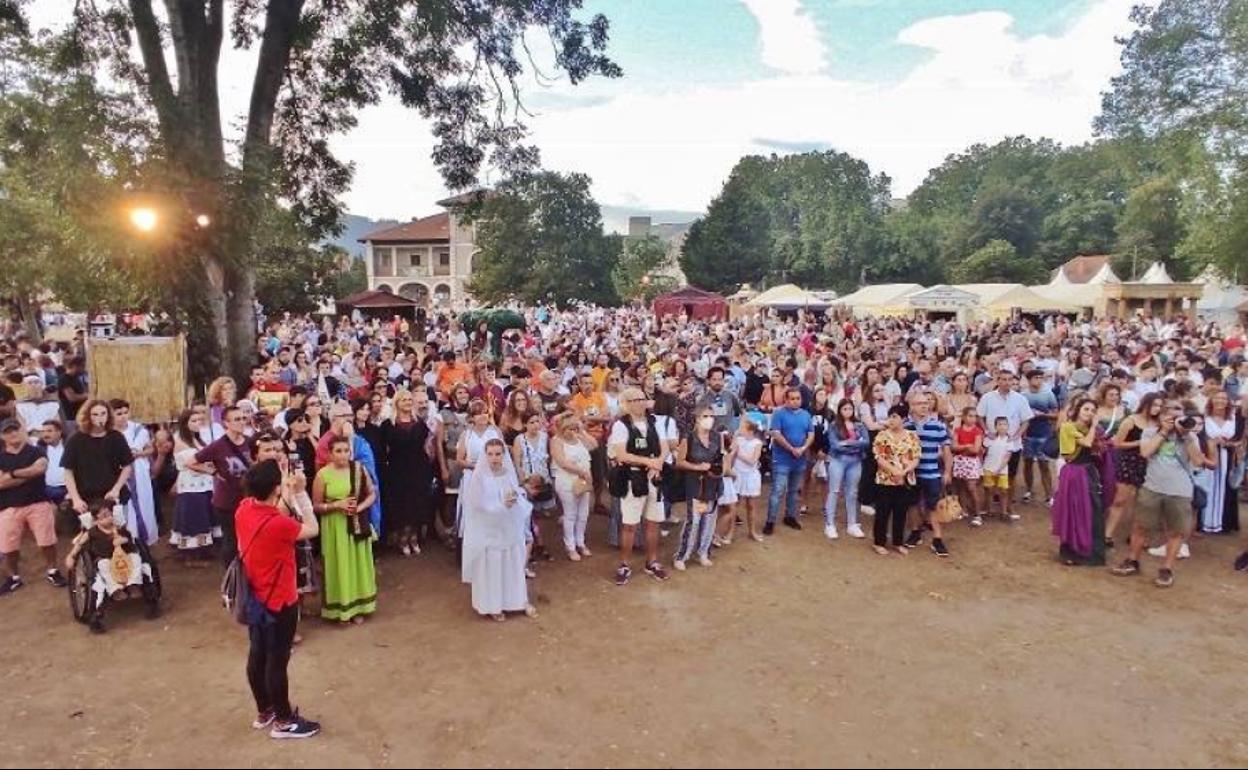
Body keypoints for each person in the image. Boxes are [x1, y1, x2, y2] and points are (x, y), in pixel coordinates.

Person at [234, 460, 322, 739]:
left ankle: (265, 710)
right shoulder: (278, 524)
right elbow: (311, 528)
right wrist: (299, 493)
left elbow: (274, 511)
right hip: (280, 599)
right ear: (274, 488)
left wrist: (283, 490)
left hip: (254, 596)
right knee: (277, 659)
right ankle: (284, 721)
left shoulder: (244, 509)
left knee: (257, 652)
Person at [1113, 403, 1205, 587]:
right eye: (1171, 417)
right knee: (1140, 526)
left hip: (1180, 491)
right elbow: (1145, 452)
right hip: (1152, 487)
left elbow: (1197, 461)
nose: (1175, 421)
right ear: (1162, 417)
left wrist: (1185, 436)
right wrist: (1163, 432)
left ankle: (1167, 569)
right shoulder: (1150, 432)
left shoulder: (1191, 436)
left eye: (1179, 416)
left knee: (1175, 531)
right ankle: (1133, 560)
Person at [460, 439, 537, 621]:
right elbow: (477, 505)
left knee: (512, 563)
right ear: (485, 455)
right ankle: (493, 605)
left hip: (508, 526)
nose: (494, 458)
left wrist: (515, 500)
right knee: (493, 566)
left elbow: (514, 493)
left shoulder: (508, 473)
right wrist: (500, 506)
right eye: (490, 454)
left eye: (498, 454)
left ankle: (518, 600)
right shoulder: (479, 477)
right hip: (489, 530)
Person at [312, 435, 378, 624]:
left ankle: (360, 606)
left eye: (346, 451)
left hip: (357, 523)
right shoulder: (322, 475)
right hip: (335, 527)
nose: (343, 455)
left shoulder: (359, 469)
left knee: (358, 564)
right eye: (338, 451)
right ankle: (341, 609)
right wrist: (336, 506)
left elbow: (372, 494)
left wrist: (360, 508)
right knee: (338, 565)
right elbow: (315, 506)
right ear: (330, 454)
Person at [607, 387, 670, 586]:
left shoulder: (654, 421)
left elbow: (665, 445)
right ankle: (624, 564)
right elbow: (622, 454)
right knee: (630, 525)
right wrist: (648, 462)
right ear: (626, 404)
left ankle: (652, 561)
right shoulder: (621, 425)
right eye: (634, 400)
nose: (640, 403)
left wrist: (659, 462)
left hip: (653, 477)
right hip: (633, 478)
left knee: (653, 522)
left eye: (642, 399)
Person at [0, 418, 66, 594]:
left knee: (47, 541)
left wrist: (11, 474)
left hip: (38, 502)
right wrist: (27, 475)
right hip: (9, 507)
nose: (13, 434)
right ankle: (13, 577)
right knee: (8, 546)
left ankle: (52, 570)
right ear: (2, 436)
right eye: (8, 431)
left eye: (15, 430)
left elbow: (39, 469)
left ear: (22, 431)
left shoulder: (36, 451)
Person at [195, 405, 256, 566]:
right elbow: (192, 462)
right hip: (226, 501)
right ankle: (231, 575)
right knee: (231, 539)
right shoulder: (218, 445)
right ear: (225, 423)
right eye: (237, 419)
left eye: (243, 418)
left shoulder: (251, 442)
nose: (242, 422)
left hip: (249, 498)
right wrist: (214, 473)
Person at [1050, 399, 1107, 567]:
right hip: (1074, 473)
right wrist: (1095, 428)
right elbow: (1087, 443)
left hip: (1089, 473)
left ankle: (1091, 552)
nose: (1089, 413)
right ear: (1078, 410)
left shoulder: (1093, 430)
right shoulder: (1068, 427)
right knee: (1073, 511)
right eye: (1086, 409)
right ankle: (1071, 551)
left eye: (1092, 410)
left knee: (1093, 511)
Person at [62, 399, 134, 523]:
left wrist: (116, 489)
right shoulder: (75, 439)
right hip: (86, 499)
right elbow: (68, 471)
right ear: (87, 416)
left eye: (103, 413)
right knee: (88, 536)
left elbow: (127, 466)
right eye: (95, 414)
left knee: (118, 534)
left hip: (112, 496)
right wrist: (75, 498)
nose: (99, 418)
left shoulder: (116, 437)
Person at [1107, 394, 1163, 548]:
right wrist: (1140, 442)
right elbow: (1117, 444)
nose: (1157, 408)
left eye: (1159, 406)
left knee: (1142, 503)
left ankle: (1135, 536)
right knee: (1120, 500)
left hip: (1149, 464)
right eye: (1154, 405)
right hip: (1129, 461)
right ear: (1146, 404)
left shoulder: (1159, 423)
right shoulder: (1131, 420)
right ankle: (1108, 534)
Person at [975, 371, 1033, 520]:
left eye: (1010, 380)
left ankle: (1008, 508)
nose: (1006, 382)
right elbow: (979, 416)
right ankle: (987, 508)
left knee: (1011, 477)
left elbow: (1026, 420)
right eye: (1003, 379)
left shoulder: (1020, 399)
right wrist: (987, 431)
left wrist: (1016, 435)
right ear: (997, 380)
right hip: (992, 445)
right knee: (988, 475)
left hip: (1012, 445)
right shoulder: (987, 397)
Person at [383, 389, 434, 557]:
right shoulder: (388, 424)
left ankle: (414, 537)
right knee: (402, 505)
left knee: (417, 503)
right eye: (403, 399)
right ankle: (403, 538)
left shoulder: (420, 423)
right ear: (397, 402)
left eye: (409, 399)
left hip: (418, 469)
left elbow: (427, 446)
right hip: (397, 471)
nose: (407, 402)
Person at [903, 393, 954, 557]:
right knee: (912, 504)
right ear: (912, 406)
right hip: (911, 473)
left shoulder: (938, 426)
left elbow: (946, 451)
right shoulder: (905, 426)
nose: (924, 406)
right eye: (919, 403)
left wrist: (947, 471)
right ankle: (915, 531)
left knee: (933, 506)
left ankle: (937, 539)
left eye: (926, 403)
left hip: (932, 472)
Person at [675, 406, 724, 570]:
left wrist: (721, 468)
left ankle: (704, 552)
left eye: (711, 415)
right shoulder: (688, 439)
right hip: (695, 484)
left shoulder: (717, 437)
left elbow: (722, 457)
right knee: (694, 520)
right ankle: (682, 555)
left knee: (709, 519)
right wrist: (698, 467)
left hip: (713, 484)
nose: (709, 418)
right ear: (697, 418)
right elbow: (680, 462)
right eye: (705, 416)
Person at [170, 409, 218, 565]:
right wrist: (211, 470)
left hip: (205, 483)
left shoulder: (199, 439)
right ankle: (190, 553)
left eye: (199, 420)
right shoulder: (180, 440)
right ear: (185, 423)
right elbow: (191, 463)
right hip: (190, 484)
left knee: (204, 514)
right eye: (194, 421)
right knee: (193, 516)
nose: (198, 424)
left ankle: (203, 548)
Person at [765, 388, 814, 535]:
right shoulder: (779, 414)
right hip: (782, 459)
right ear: (786, 400)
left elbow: (811, 434)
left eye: (798, 398)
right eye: (792, 399)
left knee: (793, 491)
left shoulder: (806, 415)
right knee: (778, 490)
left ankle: (790, 516)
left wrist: (803, 447)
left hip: (799, 460)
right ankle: (770, 521)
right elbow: (776, 433)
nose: (795, 401)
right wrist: (792, 448)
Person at [872, 405, 920, 556]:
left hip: (905, 480)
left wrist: (904, 472)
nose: (891, 420)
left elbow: (916, 458)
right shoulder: (882, 436)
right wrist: (894, 471)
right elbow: (879, 458)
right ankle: (878, 542)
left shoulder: (912, 436)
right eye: (890, 416)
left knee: (901, 512)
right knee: (883, 512)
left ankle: (898, 542)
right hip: (886, 479)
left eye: (895, 417)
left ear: (904, 419)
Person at [110, 400, 158, 546]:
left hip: (139, 470)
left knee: (144, 501)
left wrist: (139, 454)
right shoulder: (109, 433)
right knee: (125, 505)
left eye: (126, 412)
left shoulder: (139, 430)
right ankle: (128, 537)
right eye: (119, 414)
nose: (123, 416)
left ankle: (146, 537)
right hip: (119, 471)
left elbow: (151, 449)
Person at [822, 398, 869, 540]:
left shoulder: (859, 425)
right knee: (834, 490)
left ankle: (852, 524)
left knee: (852, 492)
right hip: (838, 460)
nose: (848, 412)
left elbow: (866, 442)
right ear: (840, 410)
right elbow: (834, 445)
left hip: (855, 461)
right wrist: (856, 443)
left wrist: (847, 443)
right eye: (845, 409)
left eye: (850, 409)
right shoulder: (834, 425)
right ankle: (830, 524)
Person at [1201, 390, 1239, 534]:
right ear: (1211, 400)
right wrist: (1211, 442)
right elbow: (1199, 436)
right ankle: (1203, 522)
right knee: (1206, 486)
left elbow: (1239, 440)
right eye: (1217, 398)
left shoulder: (1234, 419)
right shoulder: (1204, 418)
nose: (1220, 401)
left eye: (1224, 398)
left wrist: (1228, 444)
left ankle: (1222, 522)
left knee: (1226, 488)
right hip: (1208, 456)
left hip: (1227, 457)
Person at [1021, 369, 1058, 505]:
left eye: (1041, 378)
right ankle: (1028, 490)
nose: (1039, 380)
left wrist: (1041, 415)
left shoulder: (1048, 394)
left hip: (1044, 434)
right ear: (1029, 380)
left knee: (1044, 465)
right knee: (1028, 463)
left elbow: (1056, 414)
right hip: (1028, 434)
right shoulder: (1023, 395)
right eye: (1036, 377)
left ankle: (1049, 495)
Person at [730, 418, 765, 542]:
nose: (740, 430)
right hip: (738, 474)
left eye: (742, 428)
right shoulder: (738, 440)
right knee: (734, 505)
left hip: (750, 476)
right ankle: (730, 533)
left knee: (751, 505)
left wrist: (737, 453)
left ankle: (752, 531)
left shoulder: (757, 443)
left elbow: (752, 461)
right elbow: (730, 454)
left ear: (750, 431)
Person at [951, 407, 985, 527]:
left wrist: (962, 447)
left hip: (971, 462)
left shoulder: (977, 431)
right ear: (964, 417)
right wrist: (967, 446)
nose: (973, 419)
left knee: (971, 487)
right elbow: (953, 446)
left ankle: (977, 514)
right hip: (960, 461)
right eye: (970, 416)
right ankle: (963, 510)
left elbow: (976, 449)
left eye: (975, 416)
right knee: (961, 487)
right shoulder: (958, 430)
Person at [982, 417, 1013, 518]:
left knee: (1003, 491)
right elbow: (983, 451)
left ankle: (1003, 511)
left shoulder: (1009, 441)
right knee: (989, 490)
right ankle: (989, 510)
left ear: (1008, 426)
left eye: (1004, 424)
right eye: (999, 424)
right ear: (995, 426)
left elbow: (1007, 457)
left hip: (1002, 470)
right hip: (988, 467)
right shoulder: (989, 439)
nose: (1002, 426)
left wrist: (999, 469)